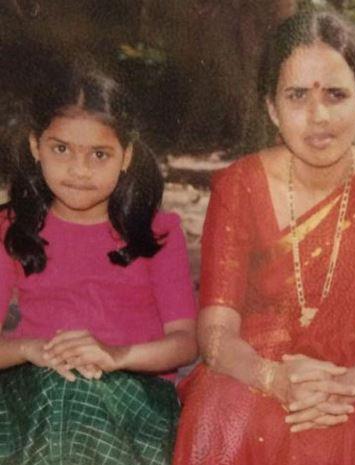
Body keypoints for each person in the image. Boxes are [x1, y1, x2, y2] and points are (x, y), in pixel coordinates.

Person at [174, 9, 355, 465]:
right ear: (271, 107)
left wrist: (352, 383)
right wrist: (273, 379)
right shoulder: (238, 185)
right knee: (219, 406)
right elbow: (215, 329)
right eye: (296, 96)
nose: (318, 116)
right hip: (261, 369)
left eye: (336, 94)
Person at [0, 56, 198, 465]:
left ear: (126, 156)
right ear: (36, 146)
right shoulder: (11, 227)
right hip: (34, 393)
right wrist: (30, 350)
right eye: (61, 149)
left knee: (74, 402)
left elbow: (185, 342)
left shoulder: (158, 231)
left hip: (134, 396)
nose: (78, 170)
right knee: (58, 395)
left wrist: (116, 355)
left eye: (99, 155)